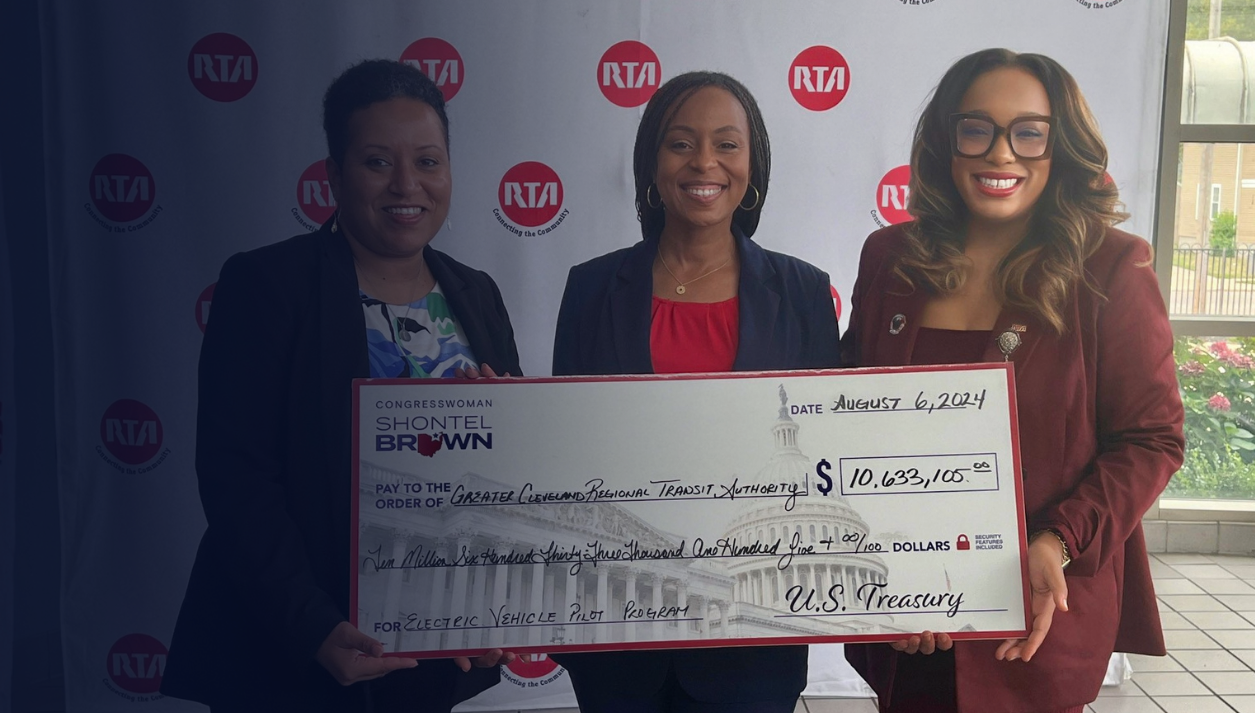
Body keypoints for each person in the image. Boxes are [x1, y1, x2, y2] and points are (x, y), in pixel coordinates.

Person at [160, 59, 519, 713]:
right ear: (333, 172)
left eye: (429, 161)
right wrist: (315, 628)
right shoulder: (267, 286)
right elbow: (237, 481)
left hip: (427, 656)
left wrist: (497, 608)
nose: (407, 184)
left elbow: (511, 483)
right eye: (378, 161)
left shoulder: (477, 294)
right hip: (289, 653)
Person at [841, 48, 1185, 713]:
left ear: (1061, 148)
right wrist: (896, 576)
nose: (1002, 154)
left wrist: (1059, 538)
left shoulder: (1110, 267)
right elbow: (855, 423)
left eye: (1029, 132)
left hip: (1035, 623)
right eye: (978, 128)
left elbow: (1152, 438)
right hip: (910, 619)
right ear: (947, 141)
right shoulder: (890, 257)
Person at [549, 71, 839, 712]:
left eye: (726, 144)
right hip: (615, 625)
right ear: (651, 163)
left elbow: (829, 455)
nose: (704, 162)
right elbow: (565, 453)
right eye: (680, 143)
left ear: (753, 164)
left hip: (752, 635)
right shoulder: (591, 289)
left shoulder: (804, 294)